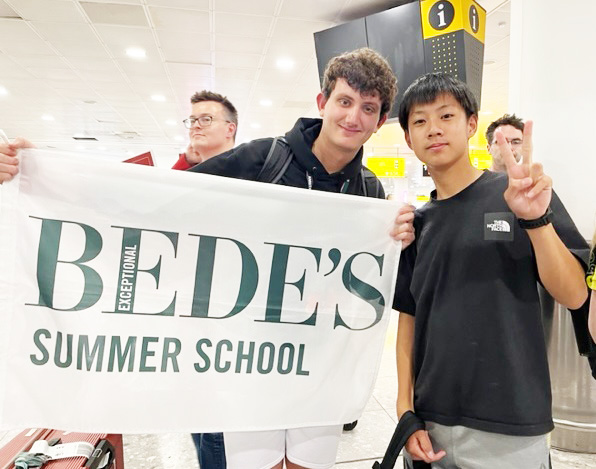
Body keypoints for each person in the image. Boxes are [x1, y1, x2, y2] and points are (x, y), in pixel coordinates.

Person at [0, 47, 416, 469]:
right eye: (345, 101)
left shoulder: (369, 192)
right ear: (322, 102)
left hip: (320, 365)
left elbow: (366, 285)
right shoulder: (264, 159)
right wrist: (46, 171)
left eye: (368, 108)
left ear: (380, 120)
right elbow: (159, 197)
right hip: (252, 363)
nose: (353, 117)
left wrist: (395, 239)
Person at [393, 72, 589, 468]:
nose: (433, 129)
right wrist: (404, 408)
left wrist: (536, 220)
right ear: (409, 139)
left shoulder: (519, 194)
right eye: (420, 121)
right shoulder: (416, 224)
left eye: (446, 116)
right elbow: (409, 320)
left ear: (470, 125)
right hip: (429, 423)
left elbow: (574, 295)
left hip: (509, 424)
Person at [172, 90, 238, 170]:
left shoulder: (247, 172)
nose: (195, 125)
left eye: (206, 119)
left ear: (230, 130)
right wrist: (186, 161)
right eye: (192, 121)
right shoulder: (188, 172)